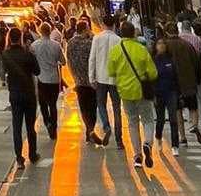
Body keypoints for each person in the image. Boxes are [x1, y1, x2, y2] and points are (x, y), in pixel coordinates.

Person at [109, 21, 157, 169]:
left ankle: (137, 156)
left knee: (132, 122)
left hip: (125, 92)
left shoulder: (115, 51)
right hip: (142, 90)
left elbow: (111, 72)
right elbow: (153, 73)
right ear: (134, 33)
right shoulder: (141, 49)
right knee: (148, 119)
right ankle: (148, 143)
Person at [0, 26, 40, 167]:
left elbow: (2, 75)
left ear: (9, 38)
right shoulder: (27, 54)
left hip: (15, 93)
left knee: (17, 126)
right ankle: (32, 154)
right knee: (30, 126)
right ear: (21, 37)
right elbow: (37, 71)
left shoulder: (5, 54)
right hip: (28, 92)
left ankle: (19, 157)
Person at [89, 16, 123, 149]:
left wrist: (91, 77)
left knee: (101, 104)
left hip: (101, 78)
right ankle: (119, 140)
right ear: (114, 25)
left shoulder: (97, 38)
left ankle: (106, 126)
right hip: (115, 79)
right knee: (116, 108)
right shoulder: (118, 40)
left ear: (103, 24)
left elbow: (92, 59)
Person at [67, 18, 100, 145]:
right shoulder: (90, 42)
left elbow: (68, 60)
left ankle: (89, 130)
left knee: (84, 108)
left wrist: (74, 76)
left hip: (79, 82)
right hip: (91, 81)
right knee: (92, 107)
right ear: (85, 29)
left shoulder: (70, 43)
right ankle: (90, 129)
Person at [168, 23, 201, 145]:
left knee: (177, 111)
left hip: (173, 84)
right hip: (188, 81)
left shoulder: (165, 46)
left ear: (167, 32)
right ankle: (194, 124)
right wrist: (197, 79)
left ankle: (182, 137)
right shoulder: (187, 45)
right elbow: (196, 62)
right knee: (193, 107)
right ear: (177, 31)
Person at [31, 21, 65, 140]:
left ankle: (47, 122)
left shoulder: (34, 46)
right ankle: (54, 128)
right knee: (52, 104)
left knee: (43, 104)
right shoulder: (56, 45)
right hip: (54, 79)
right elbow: (63, 61)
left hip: (41, 79)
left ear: (40, 31)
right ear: (50, 31)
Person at [153, 34, 180, 154]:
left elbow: (176, 76)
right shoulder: (153, 60)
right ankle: (158, 137)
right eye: (159, 43)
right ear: (156, 46)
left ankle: (175, 145)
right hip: (159, 93)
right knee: (160, 119)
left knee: (173, 119)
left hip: (171, 92)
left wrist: (179, 92)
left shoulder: (171, 59)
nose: (161, 46)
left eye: (163, 43)